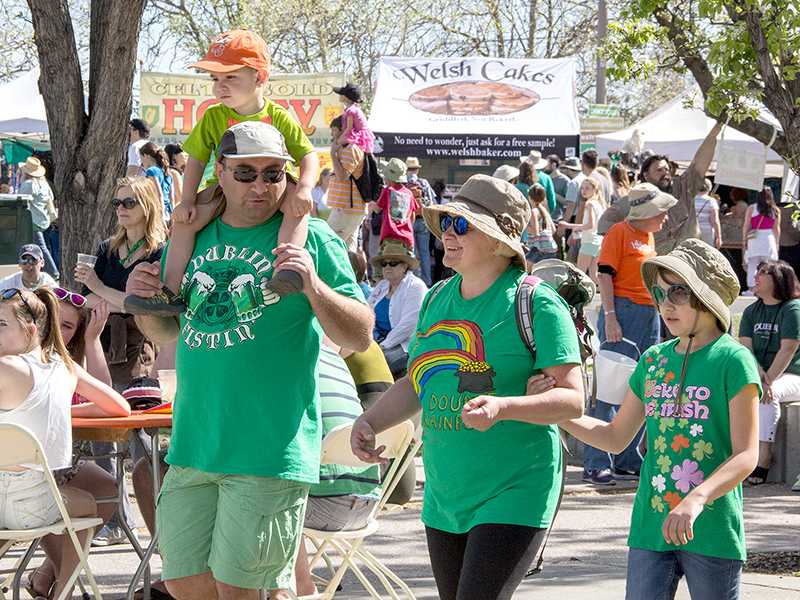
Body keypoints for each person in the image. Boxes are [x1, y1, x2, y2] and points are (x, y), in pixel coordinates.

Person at [125, 121, 372, 600]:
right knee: (184, 583)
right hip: (196, 444)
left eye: (273, 173)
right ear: (220, 171)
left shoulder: (311, 237)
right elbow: (165, 330)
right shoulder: (194, 231)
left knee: (243, 589)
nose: (261, 186)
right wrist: (143, 300)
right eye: (245, 174)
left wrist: (314, 286)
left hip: (268, 448)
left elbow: (359, 335)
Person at [351, 174, 584, 600]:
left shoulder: (536, 302)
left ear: (499, 241)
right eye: (446, 224)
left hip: (515, 489)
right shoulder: (437, 297)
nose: (447, 235)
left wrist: (502, 407)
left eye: (462, 225)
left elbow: (572, 399)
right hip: (445, 493)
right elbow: (417, 382)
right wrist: (370, 421)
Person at [544, 239, 760, 600]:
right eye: (659, 294)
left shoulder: (733, 360)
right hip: (650, 527)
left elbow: (746, 454)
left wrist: (696, 499)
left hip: (712, 529)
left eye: (677, 292)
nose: (665, 305)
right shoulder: (653, 360)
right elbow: (615, 437)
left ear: (706, 296)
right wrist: (555, 412)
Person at [127, 29, 320, 315]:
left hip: (274, 184)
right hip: (225, 187)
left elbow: (308, 155)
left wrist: (304, 189)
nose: (220, 87)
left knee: (296, 207)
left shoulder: (277, 116)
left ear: (260, 77)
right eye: (215, 79)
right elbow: (196, 160)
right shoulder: (213, 116)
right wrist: (188, 200)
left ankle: (287, 267)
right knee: (185, 222)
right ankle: (169, 290)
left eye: (230, 77)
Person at [0, 287, 130, 600]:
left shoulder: (6, 368)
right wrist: (56, 407)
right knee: (86, 501)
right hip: (33, 508)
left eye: (2, 325)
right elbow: (120, 407)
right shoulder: (64, 367)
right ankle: (64, 591)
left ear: (30, 329)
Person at [73, 175, 166, 545]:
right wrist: (110, 298)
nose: (121, 210)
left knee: (141, 444)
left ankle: (161, 522)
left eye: (129, 202)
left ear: (147, 206)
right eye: (118, 203)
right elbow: (89, 303)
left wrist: (101, 289)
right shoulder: (106, 249)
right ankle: (114, 522)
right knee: (101, 443)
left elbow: (145, 307)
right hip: (101, 346)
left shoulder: (159, 252)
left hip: (138, 351)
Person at [272, 343, 381, 598]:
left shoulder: (287, 356)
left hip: (323, 504)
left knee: (261, 490)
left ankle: (297, 586)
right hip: (368, 502)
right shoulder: (332, 356)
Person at [585, 183, 677, 486]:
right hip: (622, 312)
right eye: (661, 212)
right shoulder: (619, 233)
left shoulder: (647, 235)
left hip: (647, 313)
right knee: (610, 390)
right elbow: (605, 275)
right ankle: (597, 461)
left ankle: (626, 458)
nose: (665, 217)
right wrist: (610, 316)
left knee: (639, 388)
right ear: (646, 213)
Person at [599, 123, 724, 253]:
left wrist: (715, 131)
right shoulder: (636, 199)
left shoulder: (682, 187)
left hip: (689, 259)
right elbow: (604, 223)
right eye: (659, 170)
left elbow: (699, 163)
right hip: (656, 263)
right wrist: (629, 240)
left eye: (667, 169)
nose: (665, 173)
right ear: (646, 175)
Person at [738, 260, 800, 485]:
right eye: (758, 272)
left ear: (778, 280)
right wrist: (759, 375)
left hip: (793, 375)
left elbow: (788, 349)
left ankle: (763, 459)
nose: (756, 276)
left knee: (767, 396)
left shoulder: (793, 309)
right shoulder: (752, 311)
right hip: (762, 374)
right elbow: (746, 348)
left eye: (763, 273)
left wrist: (768, 381)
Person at [368, 240, 428, 378]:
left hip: (405, 345)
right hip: (377, 341)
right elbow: (366, 310)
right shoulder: (382, 286)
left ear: (404, 266)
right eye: (384, 264)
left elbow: (408, 326)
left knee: (376, 364)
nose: (388, 267)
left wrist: (382, 346)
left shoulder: (415, 287)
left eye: (393, 263)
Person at [327, 116, 367, 252]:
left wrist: (333, 155)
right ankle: (355, 273)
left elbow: (343, 176)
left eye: (334, 130)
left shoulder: (350, 149)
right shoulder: (348, 148)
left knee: (330, 245)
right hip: (349, 208)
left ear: (343, 129)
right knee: (349, 250)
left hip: (346, 209)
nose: (332, 134)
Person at [558, 176, 606, 283]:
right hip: (598, 242)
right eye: (582, 188)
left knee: (579, 273)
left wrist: (568, 225)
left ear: (594, 190)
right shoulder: (598, 204)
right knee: (594, 276)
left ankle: (577, 298)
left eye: (587, 188)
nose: (583, 191)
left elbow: (590, 225)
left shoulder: (589, 204)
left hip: (589, 241)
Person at [17, 156, 59, 279]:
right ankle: (46, 272)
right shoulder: (44, 183)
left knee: (41, 248)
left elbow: (21, 203)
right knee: (44, 248)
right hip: (45, 221)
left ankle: (53, 272)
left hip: (33, 222)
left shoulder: (28, 184)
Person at [371, 158, 419, 251]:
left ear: (389, 177)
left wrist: (371, 204)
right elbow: (412, 216)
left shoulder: (387, 190)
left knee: (385, 263)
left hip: (389, 236)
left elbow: (377, 209)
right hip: (407, 238)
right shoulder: (409, 193)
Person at [742, 187, 780, 294]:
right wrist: (777, 243)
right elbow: (776, 229)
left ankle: (752, 289)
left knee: (752, 265)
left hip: (755, 238)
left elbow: (746, 225)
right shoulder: (775, 210)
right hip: (768, 238)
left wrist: (744, 240)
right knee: (769, 266)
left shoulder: (751, 208)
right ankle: (770, 288)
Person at [406, 157, 436, 286]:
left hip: (409, 221)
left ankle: (413, 282)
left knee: (411, 253)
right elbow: (432, 203)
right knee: (425, 253)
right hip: (423, 221)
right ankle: (427, 282)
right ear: (417, 170)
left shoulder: (402, 183)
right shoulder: (423, 183)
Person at [333, 82, 375, 154]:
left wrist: (340, 139)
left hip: (360, 136)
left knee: (337, 144)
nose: (339, 95)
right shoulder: (353, 108)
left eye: (341, 94)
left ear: (346, 97)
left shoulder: (351, 111)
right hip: (358, 133)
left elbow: (349, 129)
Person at [140, 141, 174, 222]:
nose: (141, 162)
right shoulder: (168, 172)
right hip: (168, 211)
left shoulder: (151, 171)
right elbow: (172, 198)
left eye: (141, 158)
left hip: (158, 211)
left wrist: (161, 215)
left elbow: (159, 194)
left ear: (146, 156)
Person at [525, 183, 558, 264]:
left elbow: (535, 232)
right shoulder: (544, 210)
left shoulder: (533, 211)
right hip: (550, 248)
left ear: (529, 197)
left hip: (539, 249)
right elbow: (553, 230)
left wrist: (523, 225)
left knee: (523, 270)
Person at [520, 150, 556, 216]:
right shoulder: (546, 178)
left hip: (522, 215)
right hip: (541, 214)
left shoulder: (518, 177)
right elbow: (552, 203)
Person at [694, 178, 722, 248]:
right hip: (706, 231)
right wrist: (718, 237)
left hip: (692, 229)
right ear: (709, 188)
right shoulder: (711, 201)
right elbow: (715, 221)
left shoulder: (690, 199)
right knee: (707, 252)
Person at [545, 154, 570, 222]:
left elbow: (568, 202)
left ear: (554, 165)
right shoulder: (544, 178)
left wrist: (552, 194)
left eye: (546, 164)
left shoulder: (565, 181)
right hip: (543, 218)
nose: (544, 167)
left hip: (557, 219)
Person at [164, 142, 188, 210]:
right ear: (174, 156)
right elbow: (182, 198)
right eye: (185, 155)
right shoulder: (174, 173)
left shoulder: (169, 171)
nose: (187, 156)